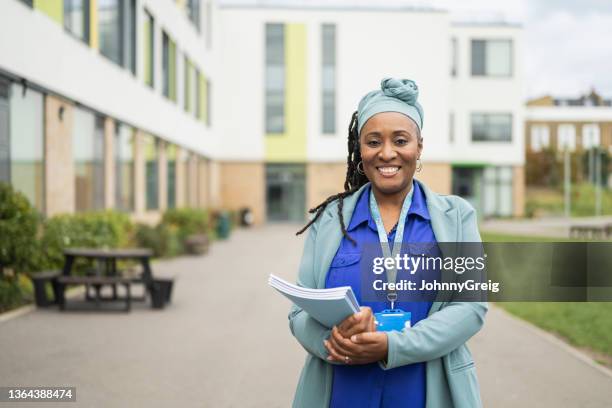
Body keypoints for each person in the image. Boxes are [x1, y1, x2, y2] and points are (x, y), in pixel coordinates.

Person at [289, 78, 487, 407]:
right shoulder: (329, 219)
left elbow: (470, 307)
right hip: (342, 391)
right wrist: (334, 344)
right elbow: (299, 311)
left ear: (419, 146)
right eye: (373, 141)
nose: (387, 153)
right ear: (360, 150)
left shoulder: (457, 216)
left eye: (400, 140)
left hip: (425, 391)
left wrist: (391, 346)